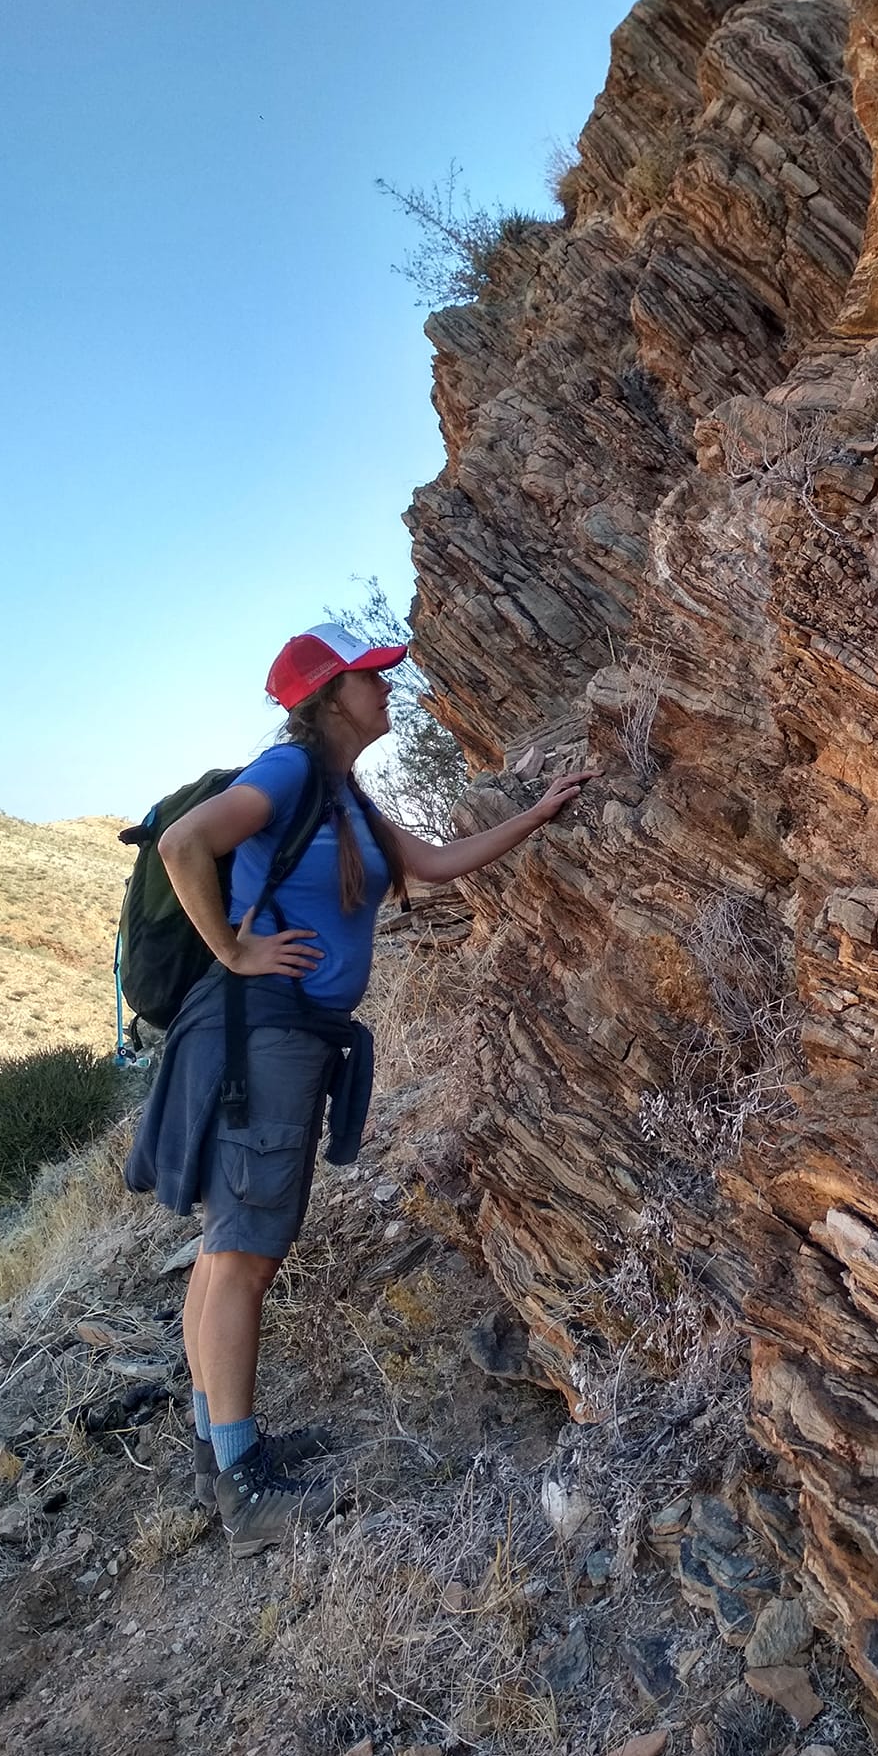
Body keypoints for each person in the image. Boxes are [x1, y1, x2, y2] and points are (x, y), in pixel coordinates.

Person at [125, 622, 592, 1556]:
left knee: (230, 1249)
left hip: (288, 1038)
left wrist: (540, 811)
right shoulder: (291, 774)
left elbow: (432, 864)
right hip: (264, 1036)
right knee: (245, 1253)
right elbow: (184, 844)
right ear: (327, 697)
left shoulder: (341, 791)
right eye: (369, 679)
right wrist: (237, 949)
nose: (387, 688)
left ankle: (219, 1448)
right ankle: (245, 1486)